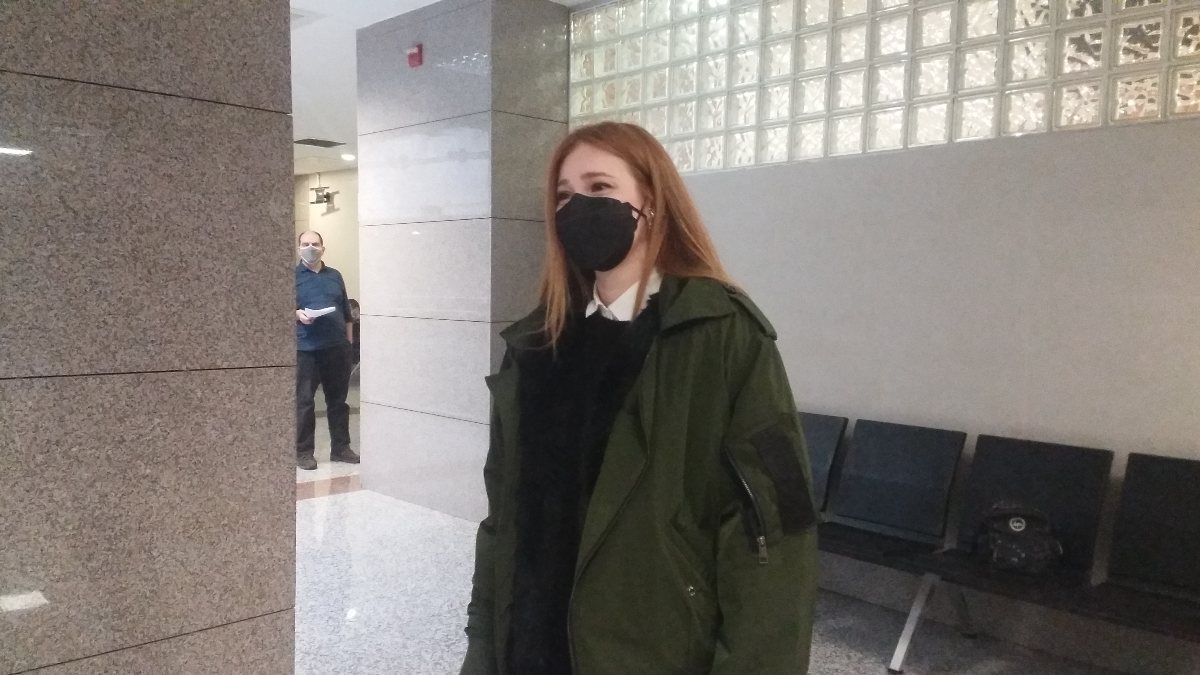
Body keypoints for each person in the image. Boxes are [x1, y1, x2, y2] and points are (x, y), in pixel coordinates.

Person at [461, 122, 819, 674]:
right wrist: (482, 650)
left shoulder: (722, 336)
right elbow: (501, 520)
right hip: (532, 643)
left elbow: (774, 531)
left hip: (652, 650)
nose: (578, 207)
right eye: (564, 195)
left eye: (600, 187)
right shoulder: (536, 346)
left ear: (651, 201)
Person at [295, 230, 359, 470]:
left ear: (323, 248)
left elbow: (346, 312)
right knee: (304, 402)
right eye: (305, 244)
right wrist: (297, 314)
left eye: (315, 244)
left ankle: (341, 448)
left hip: (336, 348)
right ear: (298, 248)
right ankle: (303, 452)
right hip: (306, 349)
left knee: (338, 401)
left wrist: (348, 344)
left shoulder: (334, 275)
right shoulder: (292, 276)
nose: (310, 248)